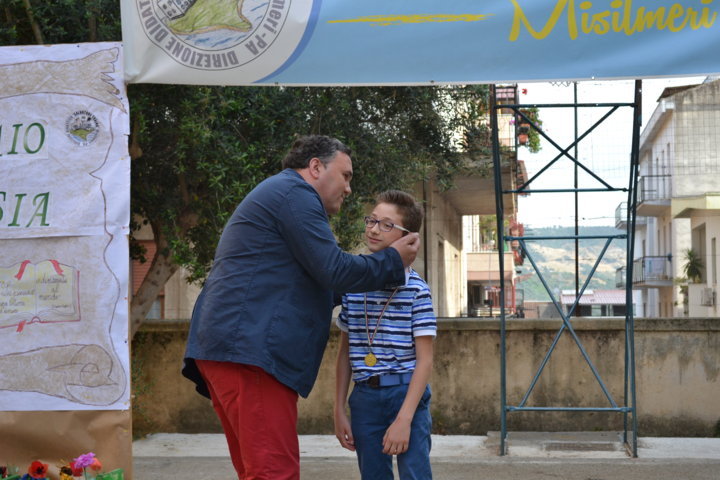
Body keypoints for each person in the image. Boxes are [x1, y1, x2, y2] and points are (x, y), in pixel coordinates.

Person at [181, 136, 420, 480]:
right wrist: (393, 260)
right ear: (316, 167)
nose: (348, 188)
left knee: (258, 471)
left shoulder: (282, 194)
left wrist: (380, 276)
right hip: (250, 352)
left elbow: (322, 283)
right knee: (273, 472)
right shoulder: (296, 194)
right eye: (346, 175)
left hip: (233, 349)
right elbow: (334, 270)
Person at [334, 190, 436, 480]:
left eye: (387, 225)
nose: (374, 229)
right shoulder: (353, 285)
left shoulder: (417, 290)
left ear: (408, 238)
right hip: (365, 396)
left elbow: (425, 360)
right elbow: (345, 354)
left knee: (415, 474)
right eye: (372, 220)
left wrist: (405, 419)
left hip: (406, 394)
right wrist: (338, 409)